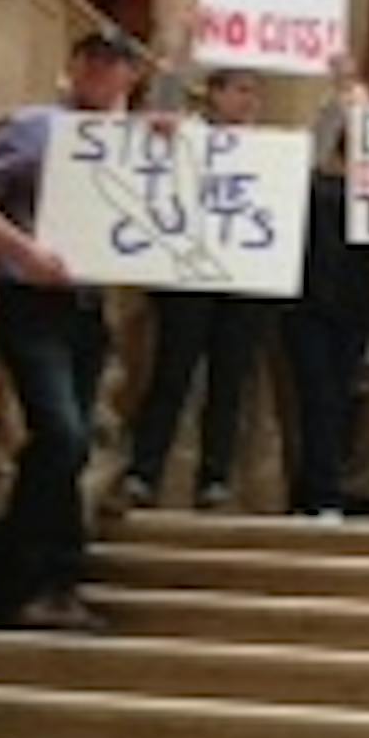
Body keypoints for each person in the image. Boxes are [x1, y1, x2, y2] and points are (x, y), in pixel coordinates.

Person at [0, 28, 144, 632]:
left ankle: (47, 581)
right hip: (29, 302)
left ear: (129, 77)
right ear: (75, 65)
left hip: (86, 309)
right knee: (61, 434)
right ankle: (18, 583)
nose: (102, 72)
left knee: (73, 443)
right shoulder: (33, 128)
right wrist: (22, 251)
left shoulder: (128, 143)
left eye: (115, 64)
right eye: (94, 60)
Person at [121, 67, 272, 512]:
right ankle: (145, 470)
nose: (249, 101)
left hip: (242, 281)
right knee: (171, 375)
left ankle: (215, 476)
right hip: (186, 279)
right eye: (241, 90)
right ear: (215, 94)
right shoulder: (183, 134)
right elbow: (143, 140)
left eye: (255, 93)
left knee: (228, 382)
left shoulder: (267, 152)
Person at [284, 117, 369, 523]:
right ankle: (321, 491)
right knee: (319, 397)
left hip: (352, 309)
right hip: (310, 307)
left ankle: (325, 488)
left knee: (336, 397)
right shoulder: (308, 186)